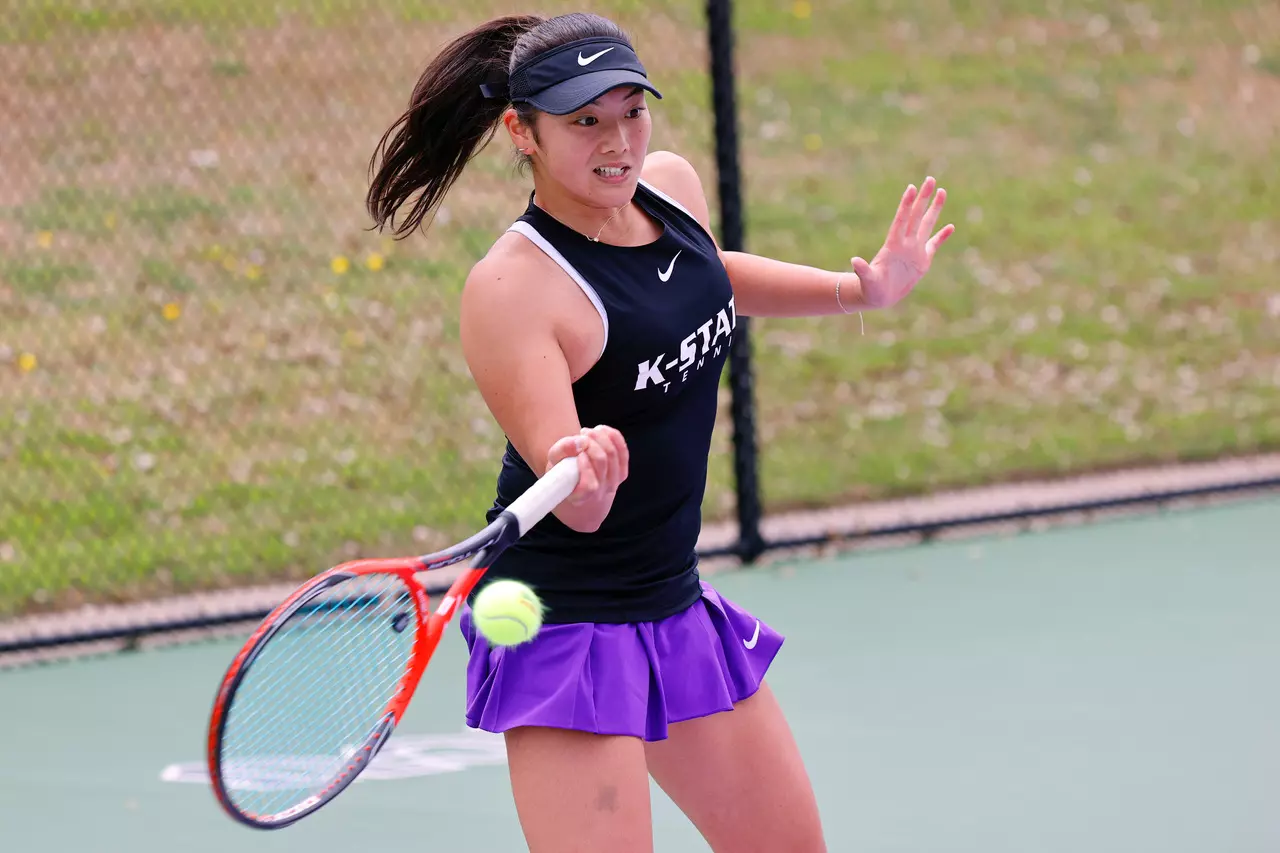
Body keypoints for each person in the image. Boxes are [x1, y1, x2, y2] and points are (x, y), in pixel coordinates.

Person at [365, 12, 953, 852]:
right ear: (520, 132)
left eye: (631, 110)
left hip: (672, 601)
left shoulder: (668, 187)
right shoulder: (513, 287)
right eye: (584, 121)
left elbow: (707, 280)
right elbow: (573, 501)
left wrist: (860, 292)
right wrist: (585, 470)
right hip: (565, 625)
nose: (619, 142)